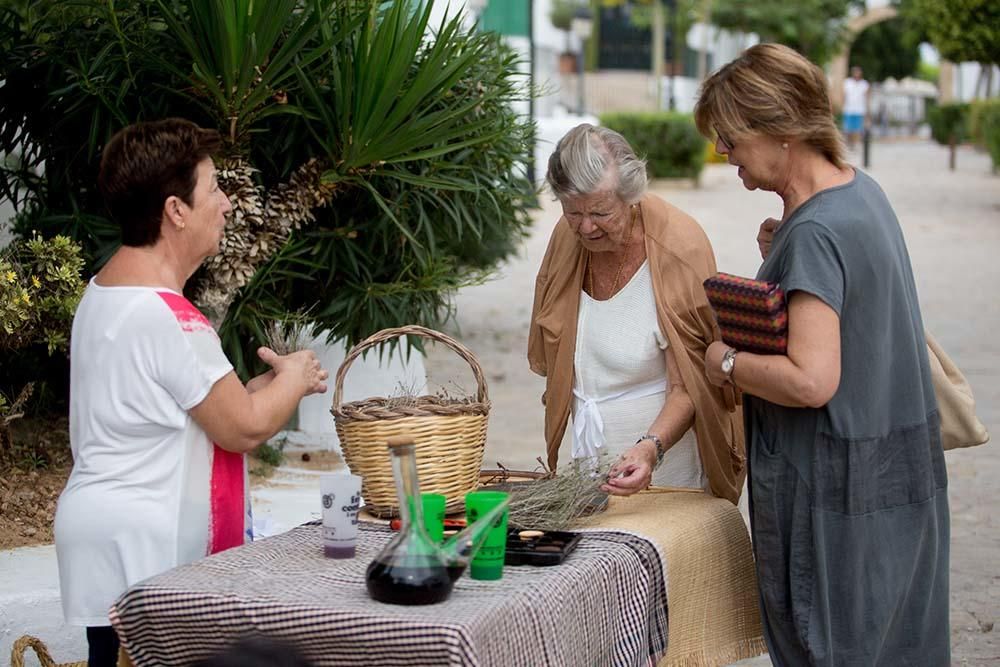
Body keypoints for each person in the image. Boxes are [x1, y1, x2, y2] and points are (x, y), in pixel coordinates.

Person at [694, 44, 949, 665]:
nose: (723, 151)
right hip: (894, 478)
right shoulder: (861, 193)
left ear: (778, 130)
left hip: (830, 502)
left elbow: (811, 380)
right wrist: (783, 255)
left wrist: (723, 360)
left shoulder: (815, 232)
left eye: (729, 136)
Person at [53, 118, 329, 667]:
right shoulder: (169, 316)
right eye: (213, 189)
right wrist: (295, 379)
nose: (226, 204)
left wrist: (251, 392)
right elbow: (243, 426)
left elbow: (169, 407)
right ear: (176, 210)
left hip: (103, 538)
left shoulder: (103, 292)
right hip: (146, 553)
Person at [527, 123, 745, 503]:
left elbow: (692, 383)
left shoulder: (680, 248)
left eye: (600, 212)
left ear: (631, 196)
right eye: (572, 212)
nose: (586, 226)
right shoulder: (569, 236)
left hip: (668, 473)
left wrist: (648, 449)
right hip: (590, 469)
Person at [842, 65, 869, 150]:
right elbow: (843, 95)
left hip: (859, 110)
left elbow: (867, 97)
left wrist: (867, 111)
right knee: (847, 128)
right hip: (848, 109)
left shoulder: (864, 84)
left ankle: (854, 144)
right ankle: (848, 144)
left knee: (857, 129)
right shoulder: (847, 82)